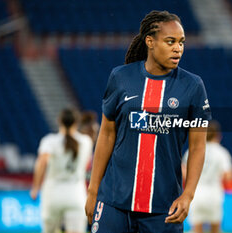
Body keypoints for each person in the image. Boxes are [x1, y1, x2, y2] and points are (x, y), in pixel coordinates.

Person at [85, 10, 211, 233]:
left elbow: (198, 145)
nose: (178, 48)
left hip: (163, 207)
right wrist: (93, 190)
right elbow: (106, 134)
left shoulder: (193, 86)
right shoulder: (120, 77)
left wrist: (188, 195)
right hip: (114, 201)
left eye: (181, 42)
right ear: (150, 42)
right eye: (170, 41)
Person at [30, 108, 93, 233]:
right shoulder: (86, 142)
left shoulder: (50, 141)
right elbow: (86, 165)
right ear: (76, 122)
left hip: (53, 193)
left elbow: (41, 162)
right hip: (76, 193)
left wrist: (35, 187)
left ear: (59, 121)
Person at [182, 120, 232, 233]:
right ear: (218, 135)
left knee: (197, 230)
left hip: (196, 194)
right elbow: (229, 176)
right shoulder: (222, 152)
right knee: (215, 230)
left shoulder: (192, 151)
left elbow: (184, 172)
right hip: (214, 195)